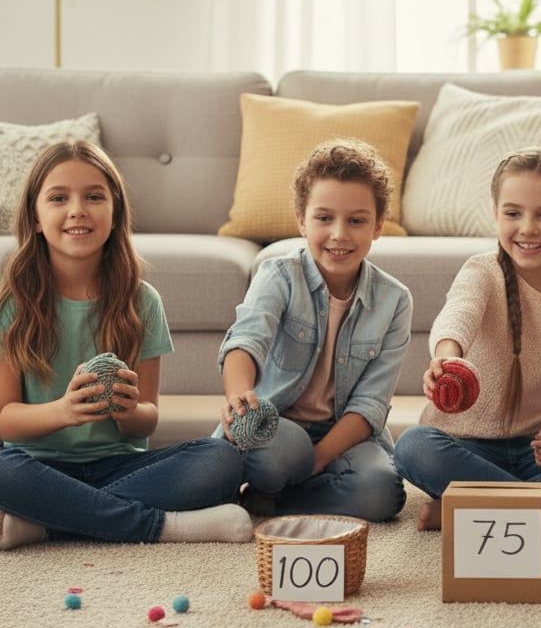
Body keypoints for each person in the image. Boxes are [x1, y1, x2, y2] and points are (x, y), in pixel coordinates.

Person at [0, 141, 250, 550]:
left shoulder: (141, 301)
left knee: (221, 460)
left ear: (115, 213)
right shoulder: (13, 304)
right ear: (36, 217)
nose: (78, 209)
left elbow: (148, 419)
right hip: (36, 464)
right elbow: (5, 418)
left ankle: (48, 524)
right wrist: (63, 412)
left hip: (120, 465)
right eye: (59, 198)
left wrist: (130, 411)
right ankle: (163, 526)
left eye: (94, 197)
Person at [394, 149, 541, 533]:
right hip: (464, 448)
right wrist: (449, 358)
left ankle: (470, 507)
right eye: (513, 213)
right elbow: (458, 315)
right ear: (496, 214)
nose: (527, 228)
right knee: (413, 447)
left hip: (540, 458)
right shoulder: (482, 272)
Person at [219, 138, 409, 520]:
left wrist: (318, 459)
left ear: (377, 227)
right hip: (280, 426)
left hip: (345, 435)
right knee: (272, 455)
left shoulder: (395, 300)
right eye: (324, 218)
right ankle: (279, 481)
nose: (339, 234)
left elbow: (370, 405)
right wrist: (240, 398)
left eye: (356, 221)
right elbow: (246, 340)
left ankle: (273, 500)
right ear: (301, 219)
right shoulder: (278, 276)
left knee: (382, 494)